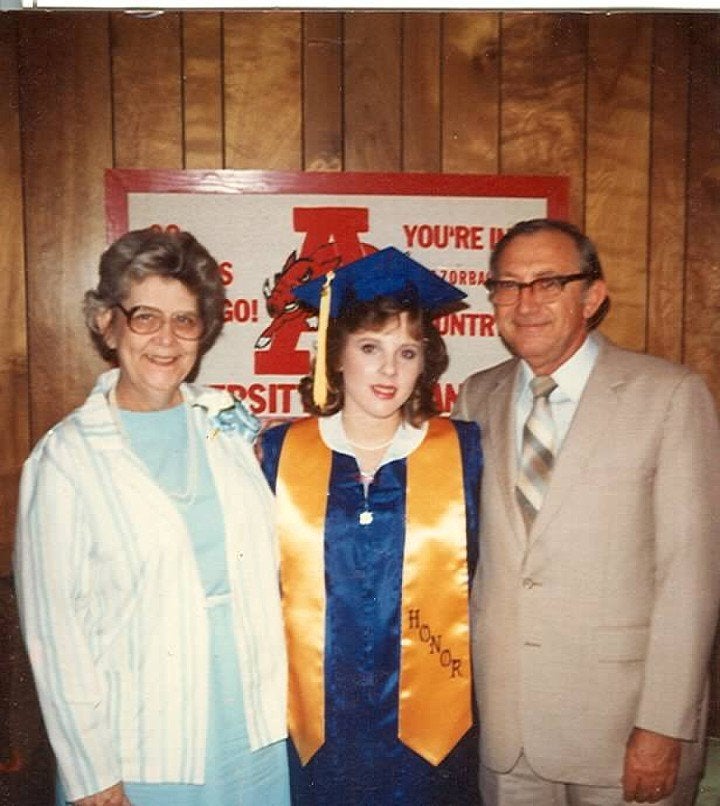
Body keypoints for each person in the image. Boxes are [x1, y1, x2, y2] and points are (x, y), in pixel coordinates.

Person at [13, 228, 290, 806]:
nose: (166, 339)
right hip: (143, 744)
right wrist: (93, 777)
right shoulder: (66, 459)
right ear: (107, 323)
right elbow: (55, 635)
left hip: (256, 732)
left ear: (204, 331)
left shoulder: (229, 425)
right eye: (145, 317)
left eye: (185, 320)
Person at [453, 218, 720, 806]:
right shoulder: (475, 396)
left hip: (622, 728)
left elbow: (691, 579)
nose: (525, 303)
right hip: (506, 731)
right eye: (508, 284)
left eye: (549, 282)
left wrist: (663, 725)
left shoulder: (669, 395)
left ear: (593, 296)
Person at [260, 246, 482, 805]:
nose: (389, 369)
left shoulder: (465, 453)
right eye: (369, 348)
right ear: (334, 355)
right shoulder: (277, 454)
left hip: (430, 737)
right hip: (313, 732)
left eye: (407, 352)